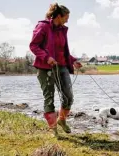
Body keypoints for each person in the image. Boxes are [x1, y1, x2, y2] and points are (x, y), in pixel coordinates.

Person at [29, 3, 82, 137]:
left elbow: (62, 52)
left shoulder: (62, 30)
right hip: (45, 68)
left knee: (68, 97)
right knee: (49, 98)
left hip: (62, 67)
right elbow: (34, 46)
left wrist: (73, 60)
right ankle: (53, 129)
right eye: (66, 17)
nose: (67, 20)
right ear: (59, 16)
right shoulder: (43, 26)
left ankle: (62, 120)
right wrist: (47, 58)